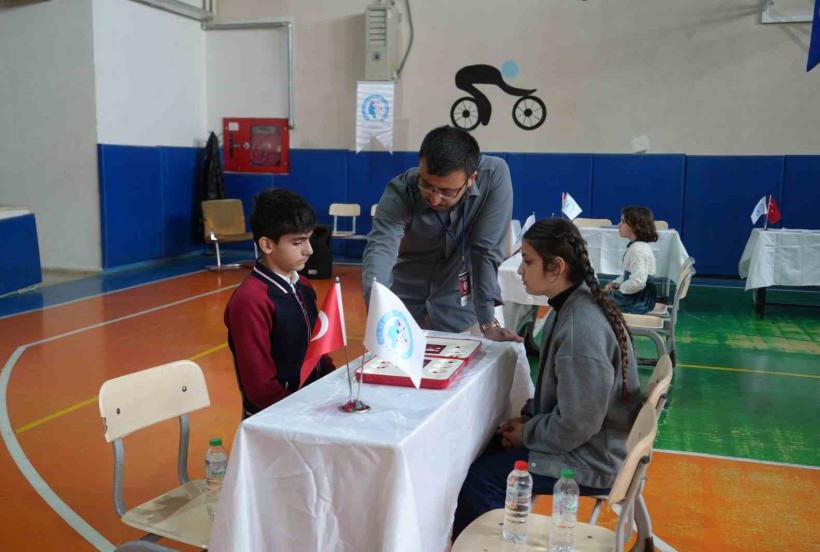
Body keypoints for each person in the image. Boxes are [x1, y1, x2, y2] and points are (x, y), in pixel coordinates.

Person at [452, 218, 642, 539]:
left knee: (480, 480)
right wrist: (528, 420)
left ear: (556, 268)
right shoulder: (570, 305)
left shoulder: (580, 329)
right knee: (486, 450)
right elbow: (565, 401)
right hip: (591, 443)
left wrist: (528, 434)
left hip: (592, 459)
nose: (520, 270)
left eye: (527, 262)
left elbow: (577, 424)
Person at [362, 125, 521, 342]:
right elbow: (380, 249)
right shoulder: (401, 191)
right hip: (407, 312)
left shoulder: (493, 176)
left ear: (471, 178)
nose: (435, 199)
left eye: (447, 192)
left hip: (464, 310)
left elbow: (485, 251)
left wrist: (488, 323)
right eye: (426, 185)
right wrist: (381, 314)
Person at [224, 189, 335, 419]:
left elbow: (318, 352)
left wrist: (335, 389)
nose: (309, 250)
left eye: (309, 239)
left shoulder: (304, 285)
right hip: (277, 419)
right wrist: (306, 413)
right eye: (298, 242)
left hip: (313, 406)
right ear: (267, 245)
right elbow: (260, 389)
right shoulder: (250, 300)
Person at [603, 206, 659, 314]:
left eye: (623, 222)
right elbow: (630, 275)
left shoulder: (638, 249)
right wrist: (615, 284)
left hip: (638, 300)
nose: (619, 225)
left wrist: (619, 288)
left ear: (635, 226)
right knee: (598, 296)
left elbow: (638, 282)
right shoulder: (637, 246)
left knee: (595, 300)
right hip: (635, 296)